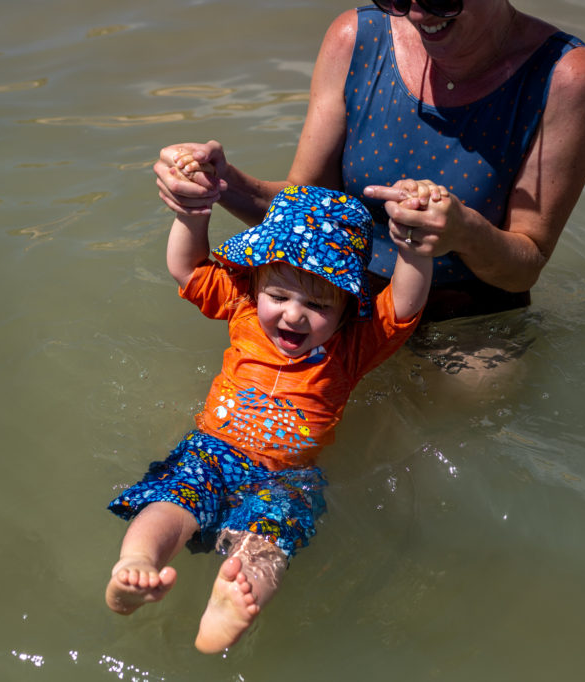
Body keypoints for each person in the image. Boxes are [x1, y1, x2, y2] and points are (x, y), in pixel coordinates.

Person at [105, 168, 433, 653]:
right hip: (213, 451)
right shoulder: (241, 308)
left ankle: (232, 602)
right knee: (170, 503)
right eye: (278, 296)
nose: (294, 314)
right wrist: (192, 217)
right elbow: (187, 268)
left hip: (286, 476)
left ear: (347, 309)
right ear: (255, 284)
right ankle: (137, 563)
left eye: (318, 304)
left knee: (268, 546)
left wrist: (414, 248)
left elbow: (403, 306)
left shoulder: (353, 347)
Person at [154, 0, 585, 327]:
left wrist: (463, 232)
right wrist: (217, 184)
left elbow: (525, 265)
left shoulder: (563, 76)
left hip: (468, 320)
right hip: (329, 304)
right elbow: (306, 209)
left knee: (456, 425)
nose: (416, 14)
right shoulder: (356, 38)